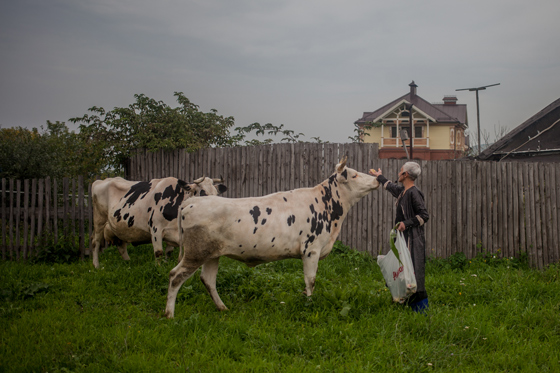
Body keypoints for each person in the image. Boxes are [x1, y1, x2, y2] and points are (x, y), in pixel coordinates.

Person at [369, 162, 430, 313]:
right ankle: (403, 301)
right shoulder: (403, 191)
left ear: (406, 175)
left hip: (413, 240)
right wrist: (380, 177)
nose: (398, 173)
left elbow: (424, 215)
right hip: (403, 239)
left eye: (401, 170)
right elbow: (392, 187)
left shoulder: (414, 193)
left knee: (414, 271)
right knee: (402, 270)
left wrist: (406, 223)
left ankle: (421, 310)